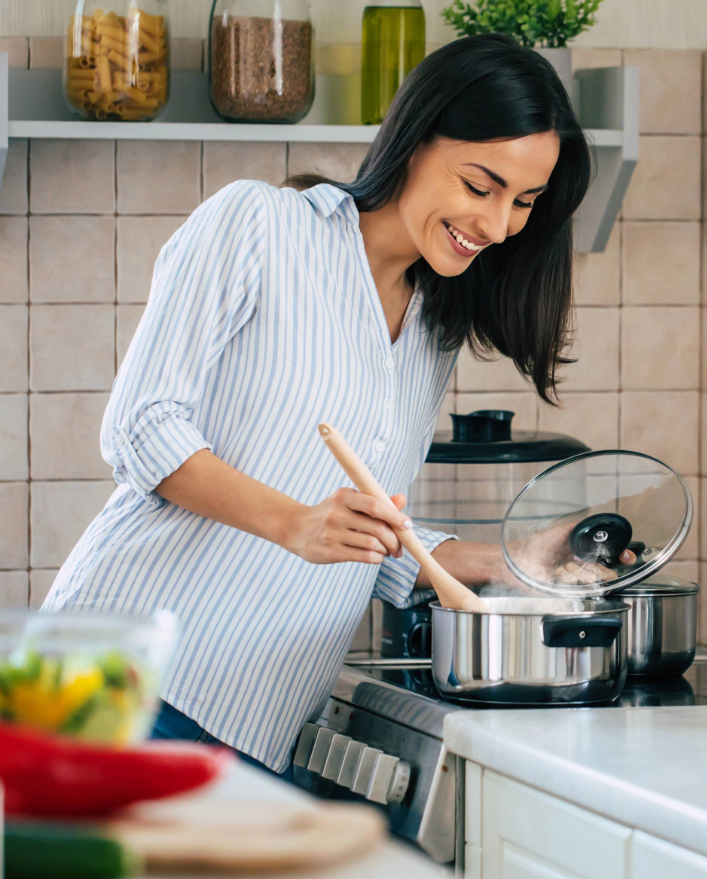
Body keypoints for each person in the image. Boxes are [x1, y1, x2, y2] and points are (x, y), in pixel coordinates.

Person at [42, 33, 594, 773]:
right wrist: (296, 523)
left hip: (255, 726)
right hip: (116, 687)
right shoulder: (260, 226)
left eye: (523, 202)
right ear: (417, 138)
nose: (497, 226)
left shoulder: (434, 328)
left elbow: (366, 533)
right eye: (480, 185)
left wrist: (517, 560)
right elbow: (140, 429)